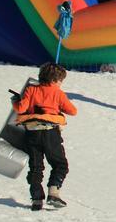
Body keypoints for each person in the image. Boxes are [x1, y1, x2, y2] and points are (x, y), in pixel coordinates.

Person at [12, 63, 77, 210]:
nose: (61, 84)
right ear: (55, 80)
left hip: (32, 133)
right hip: (50, 132)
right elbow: (73, 111)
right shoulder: (58, 93)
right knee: (60, 164)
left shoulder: (31, 89)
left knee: (36, 167)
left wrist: (15, 101)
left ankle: (36, 198)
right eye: (60, 81)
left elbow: (21, 109)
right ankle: (53, 192)